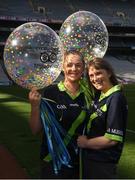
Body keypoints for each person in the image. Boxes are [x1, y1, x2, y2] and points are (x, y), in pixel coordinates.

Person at [28, 50, 92, 179]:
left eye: (78, 65)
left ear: (83, 67)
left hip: (80, 161)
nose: (74, 69)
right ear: (62, 67)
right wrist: (34, 106)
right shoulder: (51, 92)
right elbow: (36, 130)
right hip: (52, 161)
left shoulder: (89, 94)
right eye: (69, 65)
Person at [77, 58, 128, 179]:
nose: (95, 78)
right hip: (92, 160)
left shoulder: (115, 98)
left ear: (109, 73)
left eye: (99, 73)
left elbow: (112, 139)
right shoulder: (100, 95)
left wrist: (86, 143)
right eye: (91, 75)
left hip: (103, 164)